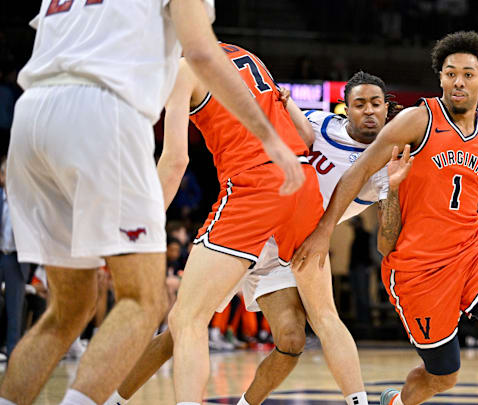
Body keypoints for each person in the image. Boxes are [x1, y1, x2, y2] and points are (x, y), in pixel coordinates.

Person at [0, 1, 305, 404]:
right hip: (100, 110)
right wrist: (268, 136)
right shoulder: (225, 62)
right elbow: (200, 52)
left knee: (66, 311)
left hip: (31, 118)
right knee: (145, 302)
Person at [294, 31, 478, 405]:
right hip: (416, 270)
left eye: (468, 74)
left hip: (470, 256)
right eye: (451, 73)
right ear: (440, 77)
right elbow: (356, 174)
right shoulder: (416, 121)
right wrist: (324, 231)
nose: (458, 81)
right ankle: (398, 402)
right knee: (444, 375)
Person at [105, 70, 397, 405]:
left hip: (298, 240)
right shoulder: (318, 121)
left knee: (293, 338)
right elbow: (285, 139)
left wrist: (395, 191)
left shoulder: (386, 166)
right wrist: (289, 110)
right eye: (360, 104)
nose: (369, 110)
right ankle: (116, 396)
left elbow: (387, 238)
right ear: (346, 108)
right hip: (257, 219)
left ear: (387, 109)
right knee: (182, 330)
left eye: (376, 104)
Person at [0, 158, 30, 358]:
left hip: (16, 261)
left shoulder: (26, 202)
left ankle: (14, 360)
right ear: (2, 176)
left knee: (15, 315)